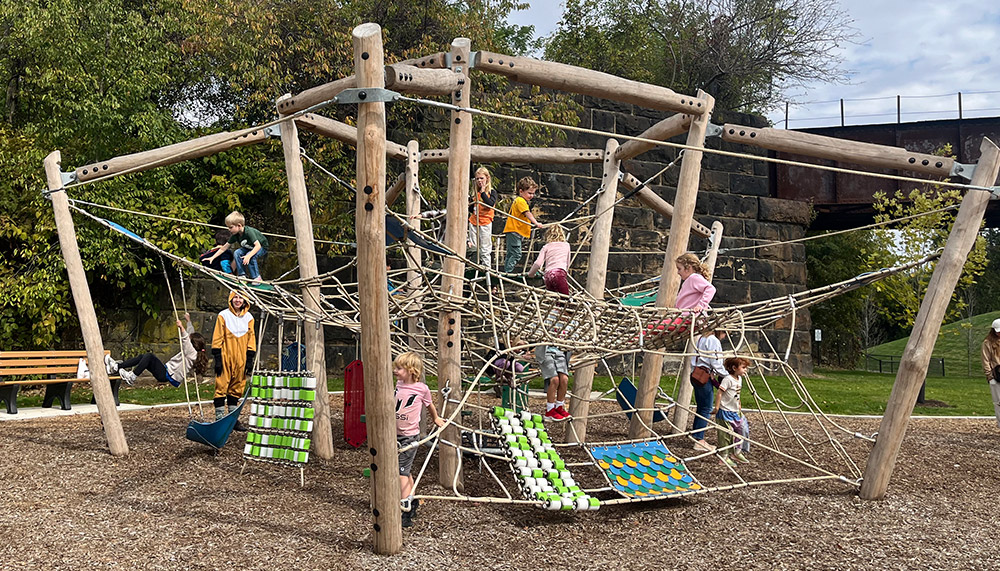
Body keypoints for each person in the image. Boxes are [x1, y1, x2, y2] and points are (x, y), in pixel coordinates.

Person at [394, 351, 445, 528]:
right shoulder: (398, 384)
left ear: (411, 370)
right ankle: (413, 499)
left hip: (409, 436)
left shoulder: (421, 388)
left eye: (399, 368)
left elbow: (429, 404)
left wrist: (436, 418)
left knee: (400, 473)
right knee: (404, 470)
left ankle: (405, 510)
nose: (395, 370)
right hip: (395, 433)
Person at [106, 313, 209, 387]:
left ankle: (132, 377)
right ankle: (116, 367)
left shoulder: (191, 353)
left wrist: (181, 327)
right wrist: (188, 321)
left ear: (192, 344)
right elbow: (191, 334)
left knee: (149, 356)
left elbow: (186, 338)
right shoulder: (194, 351)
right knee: (144, 357)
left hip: (167, 376)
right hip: (167, 372)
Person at [211, 291, 256, 430]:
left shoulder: (249, 318)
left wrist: (250, 358)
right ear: (231, 299)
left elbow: (251, 338)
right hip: (226, 356)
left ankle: (232, 420)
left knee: (237, 387)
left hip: (241, 358)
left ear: (245, 300)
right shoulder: (223, 315)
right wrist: (218, 358)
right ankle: (219, 419)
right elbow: (217, 336)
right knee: (221, 385)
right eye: (235, 297)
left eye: (240, 297)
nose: (238, 300)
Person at [689, 329, 728, 452]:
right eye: (725, 333)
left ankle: (696, 435)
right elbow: (715, 361)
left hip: (695, 373)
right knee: (706, 408)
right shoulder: (713, 340)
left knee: (701, 407)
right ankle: (699, 440)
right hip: (703, 376)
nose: (725, 336)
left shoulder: (702, 338)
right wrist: (727, 375)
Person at [205, 211, 269, 282]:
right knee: (237, 252)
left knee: (251, 256)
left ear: (239, 226)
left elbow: (258, 246)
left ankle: (256, 277)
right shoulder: (235, 235)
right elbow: (224, 248)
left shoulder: (249, 232)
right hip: (249, 247)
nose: (229, 230)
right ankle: (242, 275)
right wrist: (212, 257)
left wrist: (248, 256)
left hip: (262, 247)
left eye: (231, 227)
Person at [713, 356, 752, 467]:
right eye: (743, 367)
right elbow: (719, 393)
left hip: (735, 411)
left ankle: (737, 452)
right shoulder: (727, 379)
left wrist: (739, 403)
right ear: (734, 368)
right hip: (725, 411)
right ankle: (724, 457)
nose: (745, 370)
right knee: (726, 435)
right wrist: (717, 407)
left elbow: (736, 393)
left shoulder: (739, 379)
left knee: (742, 429)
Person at [501, 176, 543, 273]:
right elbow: (527, 213)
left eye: (533, 193)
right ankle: (508, 272)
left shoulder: (520, 201)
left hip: (515, 231)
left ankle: (506, 271)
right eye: (529, 193)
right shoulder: (520, 201)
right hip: (514, 231)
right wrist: (536, 223)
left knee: (511, 253)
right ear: (521, 191)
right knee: (516, 254)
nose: (531, 196)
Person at [526, 224, 571, 295]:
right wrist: (565, 273)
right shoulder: (566, 245)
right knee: (565, 297)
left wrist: (531, 274)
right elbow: (568, 263)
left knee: (552, 297)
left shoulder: (546, 247)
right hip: (559, 273)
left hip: (548, 276)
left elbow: (538, 263)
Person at [467, 166, 497, 267]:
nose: (479, 181)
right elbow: (472, 209)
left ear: (487, 178)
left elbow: (490, 204)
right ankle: (474, 265)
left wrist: (483, 192)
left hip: (485, 222)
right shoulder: (475, 193)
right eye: (477, 179)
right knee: (473, 246)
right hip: (474, 221)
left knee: (485, 246)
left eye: (481, 178)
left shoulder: (491, 192)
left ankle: (486, 266)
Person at [536, 344, 571, 421]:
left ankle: (559, 407)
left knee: (564, 379)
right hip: (546, 353)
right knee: (555, 380)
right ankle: (549, 410)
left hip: (559, 353)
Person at [980, 319, 1000, 428]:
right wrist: (990, 376)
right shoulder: (987, 343)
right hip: (995, 375)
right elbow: (985, 360)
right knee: (998, 403)